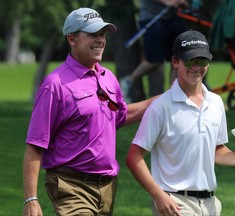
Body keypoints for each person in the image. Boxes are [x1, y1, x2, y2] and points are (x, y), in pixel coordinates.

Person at [22, 8, 156, 216]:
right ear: (72, 39)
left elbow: (119, 116)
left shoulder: (108, 78)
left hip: (108, 186)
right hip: (70, 185)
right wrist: (31, 199)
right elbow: (35, 145)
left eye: (102, 34)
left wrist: (161, 100)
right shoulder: (55, 85)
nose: (100, 40)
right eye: (92, 34)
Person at [126, 30, 235, 216]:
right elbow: (134, 157)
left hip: (211, 205)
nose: (197, 67)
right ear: (175, 62)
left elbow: (216, 150)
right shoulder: (161, 107)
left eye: (203, 61)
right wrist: (159, 196)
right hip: (175, 204)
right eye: (190, 60)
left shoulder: (216, 103)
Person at [120, 0, 189, 103]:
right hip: (151, 18)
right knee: (154, 60)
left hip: (172, 18)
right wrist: (168, 2)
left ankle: (173, 95)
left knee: (177, 58)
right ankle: (129, 81)